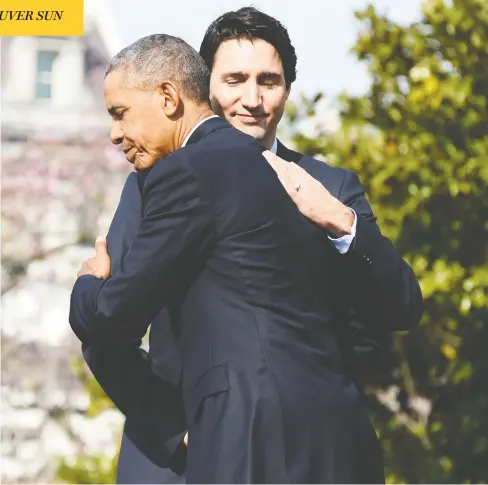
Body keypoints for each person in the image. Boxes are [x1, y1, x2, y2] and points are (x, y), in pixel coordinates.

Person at [78, 8, 424, 484]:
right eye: (235, 79)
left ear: (288, 89)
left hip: (313, 451)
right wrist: (175, 430)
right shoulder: (152, 181)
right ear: (201, 87)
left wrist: (342, 223)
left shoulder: (330, 185)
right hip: (184, 455)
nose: (252, 99)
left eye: (269, 81)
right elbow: (108, 327)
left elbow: (397, 309)